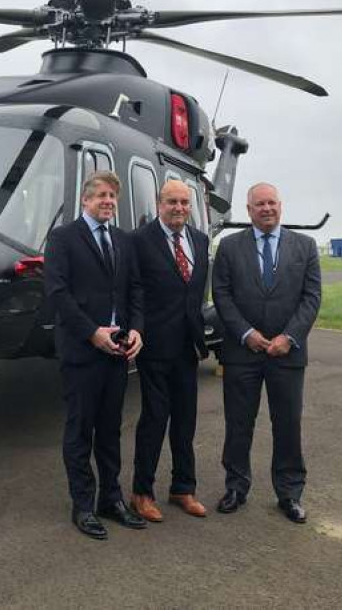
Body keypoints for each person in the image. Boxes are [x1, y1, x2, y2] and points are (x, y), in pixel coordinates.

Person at [211, 182, 321, 524]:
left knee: (287, 424)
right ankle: (236, 486)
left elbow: (311, 298)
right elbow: (222, 295)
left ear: (280, 206)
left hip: (287, 355)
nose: (266, 209)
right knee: (239, 423)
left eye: (271, 202)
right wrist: (246, 334)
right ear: (248, 210)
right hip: (242, 353)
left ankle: (289, 493)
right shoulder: (229, 247)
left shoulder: (305, 246)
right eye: (259, 204)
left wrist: (289, 337)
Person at [44, 171, 146, 540]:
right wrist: (92, 333)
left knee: (110, 430)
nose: (108, 201)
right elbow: (58, 294)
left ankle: (111, 499)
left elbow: (134, 289)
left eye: (112, 196)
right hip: (83, 352)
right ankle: (83, 505)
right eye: (101, 195)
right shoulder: (62, 239)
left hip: (117, 353)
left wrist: (136, 329)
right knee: (79, 431)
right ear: (85, 200)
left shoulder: (122, 240)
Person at [129, 179, 209, 523]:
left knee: (186, 420)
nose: (179, 208)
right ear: (159, 203)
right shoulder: (140, 241)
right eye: (172, 202)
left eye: (184, 203)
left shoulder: (200, 240)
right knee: (154, 419)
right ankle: (142, 492)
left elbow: (192, 292)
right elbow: (134, 292)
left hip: (188, 346)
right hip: (155, 347)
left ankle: (183, 488)